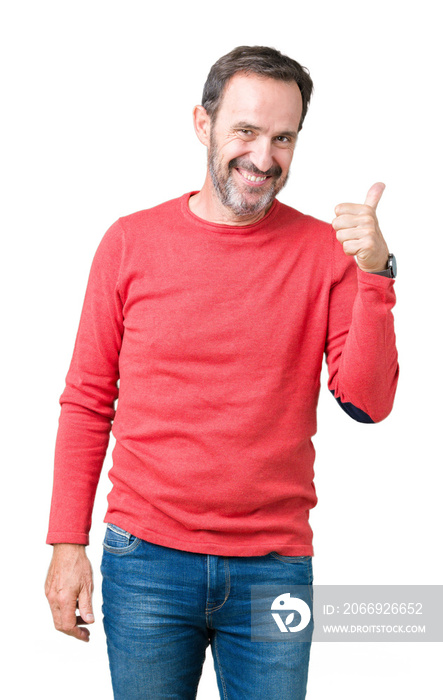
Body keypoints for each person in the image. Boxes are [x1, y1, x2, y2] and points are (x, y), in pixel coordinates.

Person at [45, 45, 399, 699]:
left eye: (283, 137)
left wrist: (374, 276)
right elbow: (88, 400)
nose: (264, 158)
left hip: (272, 569)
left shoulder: (327, 251)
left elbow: (366, 403)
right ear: (202, 125)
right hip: (143, 561)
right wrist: (67, 543)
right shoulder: (130, 243)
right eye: (245, 131)